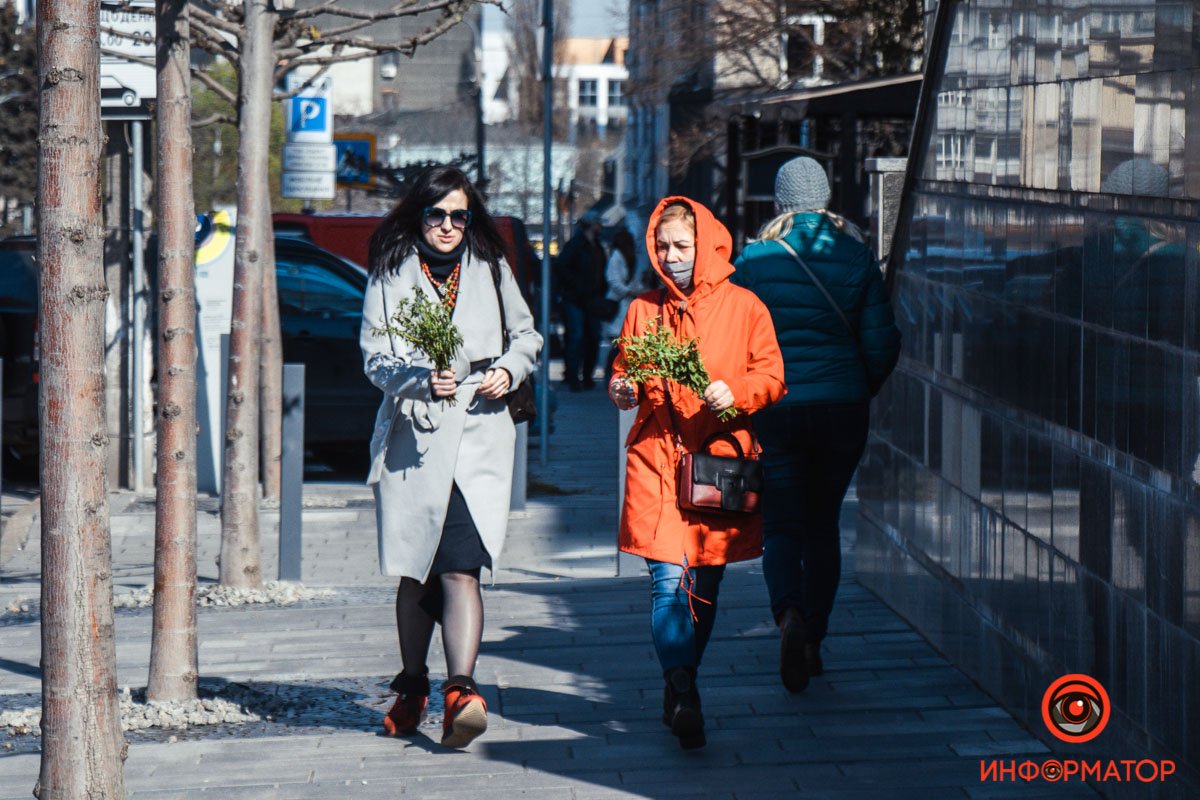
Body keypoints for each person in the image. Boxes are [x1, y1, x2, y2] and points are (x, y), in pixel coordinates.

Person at [360, 165, 543, 748]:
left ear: (471, 219)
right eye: (436, 214)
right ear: (419, 216)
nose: (447, 225)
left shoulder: (491, 268)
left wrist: (509, 371)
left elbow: (528, 337)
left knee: (462, 566)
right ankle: (413, 684)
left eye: (458, 215)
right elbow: (373, 356)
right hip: (415, 444)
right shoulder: (391, 272)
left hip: (480, 440)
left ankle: (461, 691)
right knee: (418, 572)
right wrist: (418, 378)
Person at [608, 197, 785, 749]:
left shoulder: (746, 307)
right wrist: (622, 387)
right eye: (662, 247)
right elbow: (625, 370)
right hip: (658, 460)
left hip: (720, 460)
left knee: (704, 584)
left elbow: (773, 375)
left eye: (681, 246)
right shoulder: (643, 309)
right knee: (668, 583)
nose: (670, 255)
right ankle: (682, 686)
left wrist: (737, 392)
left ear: (707, 246)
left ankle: (681, 679)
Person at [732, 156, 900, 694]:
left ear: (779, 202)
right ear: (825, 198)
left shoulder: (753, 261)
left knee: (781, 525)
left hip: (775, 409)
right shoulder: (853, 255)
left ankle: (788, 616)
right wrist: (857, 386)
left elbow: (732, 342)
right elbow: (883, 341)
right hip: (842, 409)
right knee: (823, 524)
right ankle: (814, 640)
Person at [556, 216, 608, 389]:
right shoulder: (576, 245)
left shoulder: (597, 246)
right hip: (575, 299)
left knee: (593, 336)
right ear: (590, 225)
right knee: (576, 337)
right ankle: (572, 376)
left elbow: (600, 271)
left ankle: (587, 375)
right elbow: (561, 267)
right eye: (597, 223)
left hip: (592, 299)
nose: (600, 226)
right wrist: (578, 285)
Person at [601, 227, 641, 378]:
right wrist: (629, 291)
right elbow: (613, 280)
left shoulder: (626, 258)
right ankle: (610, 374)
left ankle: (614, 373)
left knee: (621, 341)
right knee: (617, 342)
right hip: (617, 304)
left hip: (624, 304)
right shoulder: (616, 257)